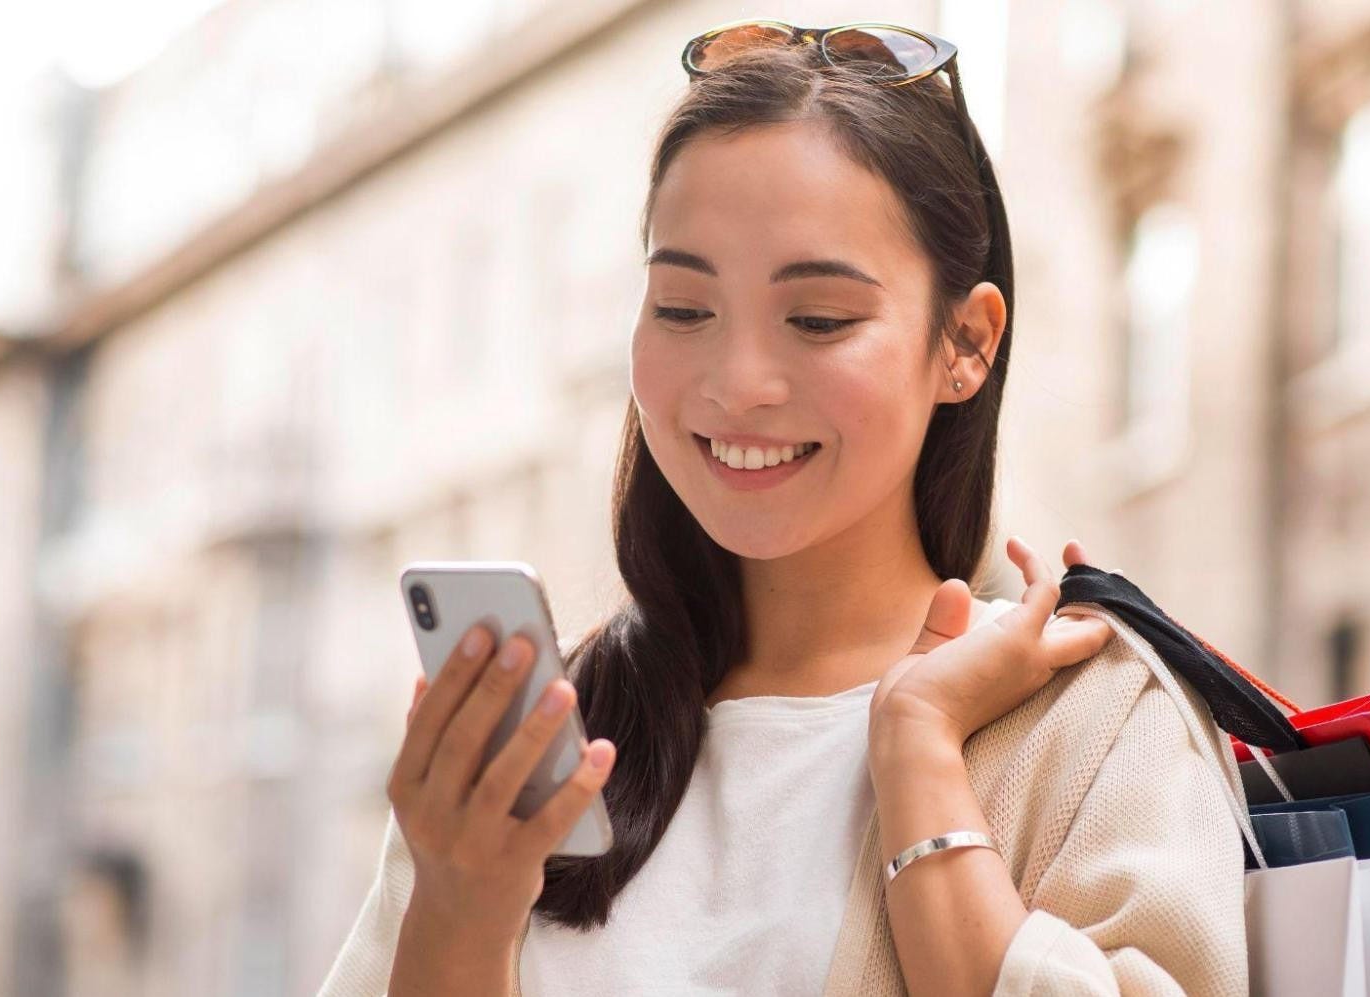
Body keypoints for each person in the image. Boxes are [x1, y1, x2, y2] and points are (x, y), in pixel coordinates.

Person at [320, 19, 1248, 997]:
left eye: (817, 320)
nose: (738, 381)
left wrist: (920, 754)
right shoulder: (548, 733)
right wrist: (459, 918)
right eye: (682, 307)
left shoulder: (1089, 721)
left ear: (965, 343)